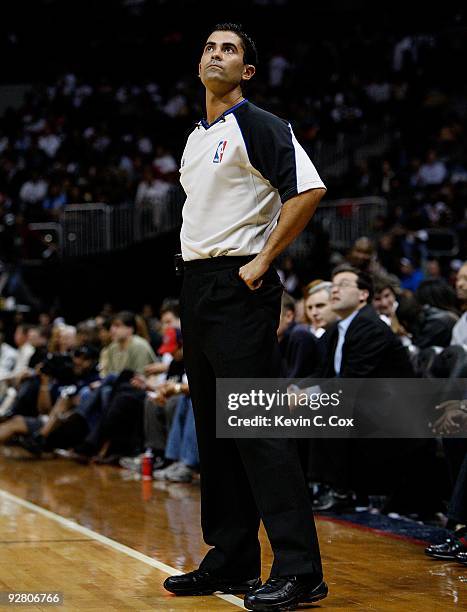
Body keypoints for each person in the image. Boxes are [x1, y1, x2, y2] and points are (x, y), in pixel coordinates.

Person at [163, 23, 328, 610]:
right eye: (208, 45)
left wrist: (260, 264)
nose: (215, 53)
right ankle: (231, 557)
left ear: (247, 72)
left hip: (240, 285)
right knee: (214, 432)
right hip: (200, 287)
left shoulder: (258, 124)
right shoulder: (193, 138)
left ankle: (300, 569)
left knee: (259, 427)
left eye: (229, 49)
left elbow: (306, 191)